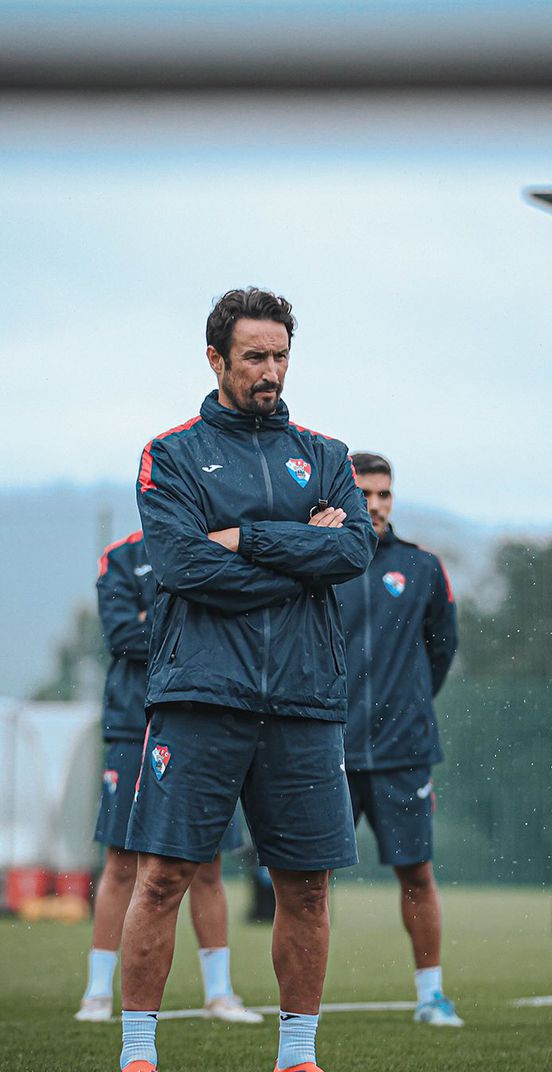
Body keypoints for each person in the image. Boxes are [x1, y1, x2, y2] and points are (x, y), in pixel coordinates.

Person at [119, 287, 376, 1072]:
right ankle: (137, 1055)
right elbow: (186, 567)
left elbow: (354, 552)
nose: (271, 371)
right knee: (162, 879)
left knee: (306, 888)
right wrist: (302, 555)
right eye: (255, 357)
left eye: (281, 355)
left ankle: (296, 1057)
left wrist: (252, 540)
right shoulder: (171, 453)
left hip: (304, 701)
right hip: (200, 698)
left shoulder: (327, 455)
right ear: (216, 360)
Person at [75, 530, 261, 1025]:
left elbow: (233, 620)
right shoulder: (119, 556)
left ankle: (220, 994)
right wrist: (193, 616)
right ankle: (96, 993)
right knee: (122, 861)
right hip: (135, 727)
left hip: (206, 724)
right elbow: (123, 637)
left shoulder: (217, 545)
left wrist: (169, 619)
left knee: (209, 866)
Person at [336, 452, 463, 1027]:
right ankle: (301, 1006)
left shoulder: (422, 568)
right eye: (364, 494)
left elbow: (441, 650)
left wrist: (405, 703)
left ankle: (431, 996)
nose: (376, 505)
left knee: (416, 872)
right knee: (307, 877)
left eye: (384, 494)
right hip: (326, 749)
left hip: (402, 750)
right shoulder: (318, 565)